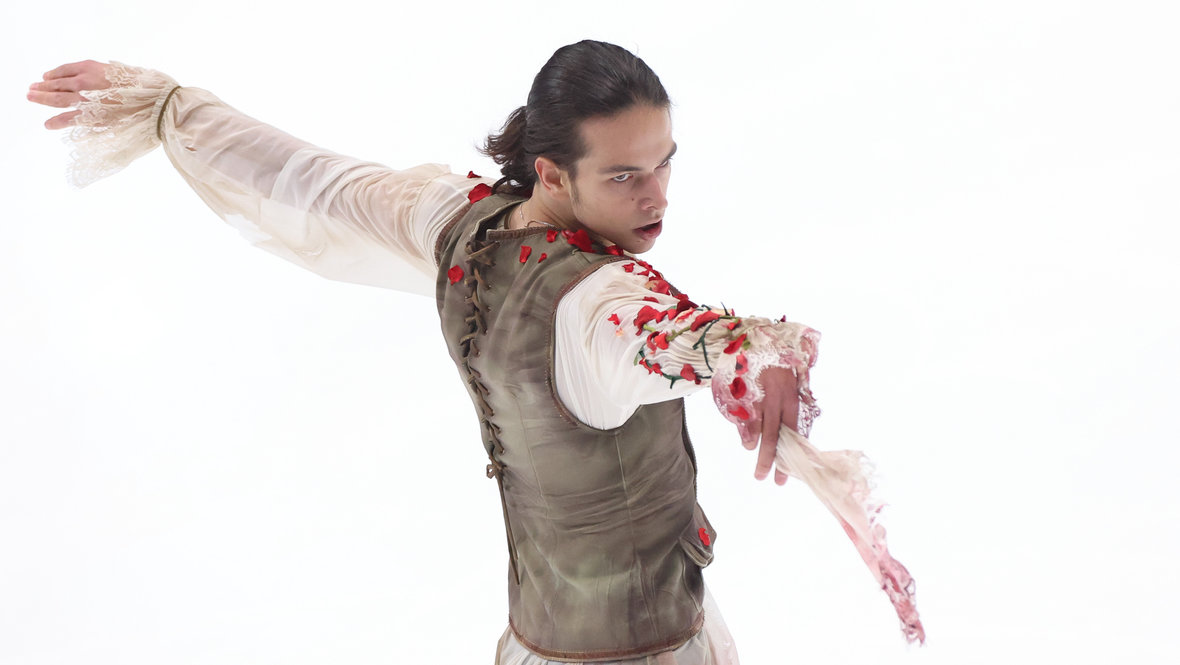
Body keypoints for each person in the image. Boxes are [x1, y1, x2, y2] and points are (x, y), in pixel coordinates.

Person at [28, 40, 922, 664]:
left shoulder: (459, 222)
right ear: (553, 173)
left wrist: (170, 109)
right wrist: (752, 348)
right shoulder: (601, 303)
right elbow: (678, 338)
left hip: (535, 642)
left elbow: (310, 180)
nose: (657, 198)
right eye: (624, 175)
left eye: (664, 164)